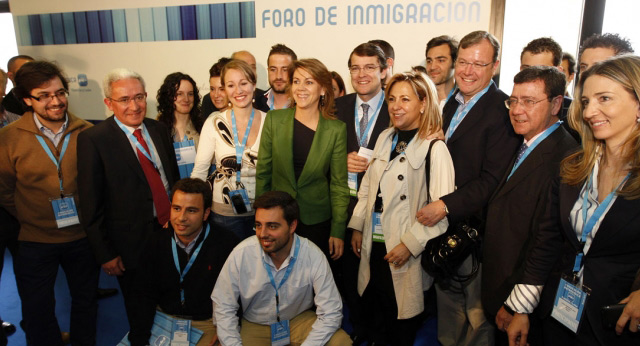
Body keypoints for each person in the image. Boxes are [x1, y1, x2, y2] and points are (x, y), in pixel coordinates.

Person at [507, 54, 640, 346]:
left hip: (615, 323)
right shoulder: (574, 166)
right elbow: (547, 240)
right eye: (586, 101)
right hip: (559, 312)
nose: (591, 111)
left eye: (604, 98)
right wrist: (521, 307)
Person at [416, 30, 521, 346]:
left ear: (495, 66)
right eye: (463, 61)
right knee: (448, 312)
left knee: (477, 319)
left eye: (478, 63)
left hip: (475, 234)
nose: (468, 70)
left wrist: (445, 205)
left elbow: (492, 181)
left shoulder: (503, 111)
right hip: (443, 232)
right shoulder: (449, 104)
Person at [349, 72, 455, 345]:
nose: (396, 106)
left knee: (400, 330)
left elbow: (442, 214)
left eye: (405, 99)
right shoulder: (385, 137)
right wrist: (358, 226)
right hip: (374, 246)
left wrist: (409, 245)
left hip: (406, 253)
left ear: (423, 103)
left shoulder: (435, 148)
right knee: (375, 321)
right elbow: (368, 189)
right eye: (392, 98)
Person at [0, 61, 98, 345]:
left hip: (81, 238)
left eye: (59, 93)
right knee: (38, 310)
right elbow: (5, 191)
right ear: (27, 100)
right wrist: (31, 215)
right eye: (44, 96)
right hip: (33, 241)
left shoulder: (87, 133)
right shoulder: (8, 140)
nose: (55, 101)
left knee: (86, 303)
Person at [77, 68, 180, 334]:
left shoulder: (158, 129)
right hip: (130, 245)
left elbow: (172, 180)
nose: (134, 106)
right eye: (124, 99)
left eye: (139, 97)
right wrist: (106, 254)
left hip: (170, 234)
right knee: (140, 311)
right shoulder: (94, 140)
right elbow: (90, 204)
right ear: (108, 103)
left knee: (173, 300)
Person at [482, 66, 578, 345]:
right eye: (513, 100)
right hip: (501, 284)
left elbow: (547, 241)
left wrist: (517, 304)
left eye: (529, 101)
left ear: (556, 104)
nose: (516, 109)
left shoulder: (565, 158)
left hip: (524, 298)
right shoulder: (523, 142)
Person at [211, 191, 352, 345]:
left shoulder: (312, 255)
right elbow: (223, 306)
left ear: (292, 226)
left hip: (297, 320)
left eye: (272, 226)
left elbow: (331, 312)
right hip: (255, 324)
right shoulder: (242, 253)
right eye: (258, 225)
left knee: (340, 341)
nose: (263, 234)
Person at [255, 58, 349, 261]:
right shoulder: (274, 120)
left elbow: (339, 185)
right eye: (296, 81)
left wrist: (338, 229)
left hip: (317, 222)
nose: (301, 88)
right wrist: (260, 220)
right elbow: (263, 172)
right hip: (277, 220)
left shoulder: (336, 130)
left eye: (309, 82)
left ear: (323, 89)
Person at [128, 178, 237, 346]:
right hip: (164, 318)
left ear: (206, 213)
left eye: (191, 210)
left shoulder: (226, 244)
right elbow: (143, 295)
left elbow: (236, 296)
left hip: (208, 323)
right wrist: (139, 340)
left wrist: (225, 330)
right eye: (176, 208)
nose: (181, 218)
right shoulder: (155, 243)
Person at [334, 42, 390, 343]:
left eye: (369, 67)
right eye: (355, 67)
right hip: (345, 206)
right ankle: (359, 329)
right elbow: (323, 156)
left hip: (384, 210)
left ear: (384, 70)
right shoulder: (337, 108)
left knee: (381, 278)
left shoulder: (397, 107)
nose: (361, 74)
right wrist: (339, 161)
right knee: (348, 274)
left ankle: (380, 333)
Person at [191, 60, 267, 240]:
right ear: (224, 89)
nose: (238, 91)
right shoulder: (213, 123)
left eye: (244, 83)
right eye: (231, 85)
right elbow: (200, 171)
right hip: (223, 214)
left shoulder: (270, 121)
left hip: (262, 213)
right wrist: (192, 208)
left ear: (254, 85)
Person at [519, 37, 577, 141]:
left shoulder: (573, 115)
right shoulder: (509, 110)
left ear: (559, 72)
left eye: (541, 70)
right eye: (526, 69)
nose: (532, 76)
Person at [156, 72, 203, 179]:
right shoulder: (158, 130)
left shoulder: (204, 128)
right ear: (168, 96)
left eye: (190, 94)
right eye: (179, 94)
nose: (186, 99)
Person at [255, 44, 297, 111]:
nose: (278, 76)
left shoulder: (303, 104)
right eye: (273, 69)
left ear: (294, 71)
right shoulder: (256, 103)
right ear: (268, 70)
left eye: (285, 70)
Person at [425, 35, 458, 109]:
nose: (432, 67)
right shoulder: (420, 101)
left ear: (455, 63)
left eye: (441, 60)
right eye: (429, 61)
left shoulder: (464, 102)